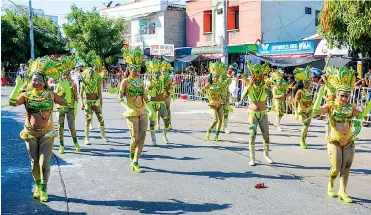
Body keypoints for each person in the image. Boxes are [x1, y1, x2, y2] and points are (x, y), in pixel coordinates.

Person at [310, 66, 371, 203]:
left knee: (346, 167)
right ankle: (331, 183)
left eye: (347, 96)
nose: (344, 99)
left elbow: (361, 115)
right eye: (342, 96)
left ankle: (342, 191)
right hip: (334, 141)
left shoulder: (351, 107)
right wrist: (319, 96)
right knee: (336, 168)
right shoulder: (331, 106)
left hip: (349, 141)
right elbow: (316, 112)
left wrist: (370, 104)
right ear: (337, 94)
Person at [8, 56, 66, 202]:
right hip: (30, 133)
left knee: (44, 162)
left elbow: (65, 102)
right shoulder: (26, 95)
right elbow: (12, 102)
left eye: (40, 80)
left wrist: (65, 89)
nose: (37, 82)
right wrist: (17, 86)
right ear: (31, 81)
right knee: (34, 162)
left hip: (47, 133)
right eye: (34, 80)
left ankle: (44, 188)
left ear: (45, 82)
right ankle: (38, 186)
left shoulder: (51, 95)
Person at [118, 46, 149, 173]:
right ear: (129, 69)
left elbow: (145, 98)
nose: (136, 71)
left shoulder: (141, 82)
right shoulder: (125, 81)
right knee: (134, 138)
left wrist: (151, 110)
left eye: (138, 69)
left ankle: (136, 160)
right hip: (131, 113)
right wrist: (127, 109)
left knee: (142, 137)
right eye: (134, 69)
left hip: (143, 112)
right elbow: (119, 98)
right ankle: (131, 156)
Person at [241, 61, 273, 166]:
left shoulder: (265, 86)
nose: (257, 79)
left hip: (263, 113)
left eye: (259, 77)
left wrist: (264, 85)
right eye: (255, 76)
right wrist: (249, 84)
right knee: (252, 135)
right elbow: (242, 96)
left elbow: (271, 96)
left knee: (266, 136)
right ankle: (252, 158)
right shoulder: (249, 86)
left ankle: (266, 155)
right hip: (252, 114)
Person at [55, 56, 80, 154]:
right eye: (64, 75)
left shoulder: (73, 85)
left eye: (67, 75)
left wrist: (75, 109)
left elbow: (75, 98)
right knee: (60, 126)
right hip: (61, 108)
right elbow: (56, 96)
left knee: (71, 126)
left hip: (70, 108)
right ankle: (61, 145)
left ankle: (75, 142)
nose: (65, 76)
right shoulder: (59, 85)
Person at [79, 65, 108, 145]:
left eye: (92, 74)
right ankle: (86, 138)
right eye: (89, 74)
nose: (91, 76)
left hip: (96, 102)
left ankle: (103, 135)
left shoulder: (96, 81)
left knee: (101, 119)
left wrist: (100, 103)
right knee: (87, 120)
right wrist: (81, 103)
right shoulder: (84, 83)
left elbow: (99, 93)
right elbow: (80, 94)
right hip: (88, 102)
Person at [146, 60, 171, 146]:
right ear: (152, 74)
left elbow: (168, 82)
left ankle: (164, 136)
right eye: (155, 73)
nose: (156, 74)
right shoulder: (149, 82)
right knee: (152, 123)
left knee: (167, 123)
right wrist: (149, 89)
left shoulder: (162, 81)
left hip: (161, 103)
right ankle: (153, 139)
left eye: (158, 73)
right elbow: (146, 93)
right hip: (152, 104)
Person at [200, 62, 226, 141]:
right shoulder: (209, 84)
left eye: (218, 76)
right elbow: (202, 91)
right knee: (215, 120)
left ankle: (217, 136)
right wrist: (208, 98)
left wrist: (225, 103)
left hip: (220, 103)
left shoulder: (220, 84)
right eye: (215, 76)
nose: (216, 78)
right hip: (212, 104)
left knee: (221, 120)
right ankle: (208, 131)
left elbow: (222, 94)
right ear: (213, 76)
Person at [293, 66, 312, 149]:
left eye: (309, 82)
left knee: (307, 127)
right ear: (303, 83)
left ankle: (304, 140)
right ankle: (301, 140)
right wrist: (296, 111)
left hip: (309, 110)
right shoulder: (300, 91)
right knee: (305, 125)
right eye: (306, 82)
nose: (308, 83)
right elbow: (296, 101)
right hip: (302, 111)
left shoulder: (310, 91)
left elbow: (311, 100)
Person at [156, 62, 174, 130]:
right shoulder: (159, 78)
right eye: (163, 71)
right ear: (161, 71)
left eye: (165, 71)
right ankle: (158, 124)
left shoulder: (169, 78)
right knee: (158, 110)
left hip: (167, 95)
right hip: (160, 96)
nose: (164, 72)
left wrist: (170, 90)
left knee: (168, 109)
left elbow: (171, 86)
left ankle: (169, 124)